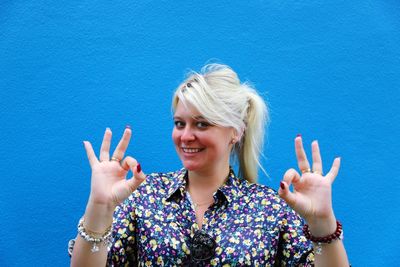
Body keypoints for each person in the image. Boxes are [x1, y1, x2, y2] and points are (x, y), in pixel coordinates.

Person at [69, 64, 349, 266]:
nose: (185, 135)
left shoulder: (270, 209)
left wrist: (322, 223)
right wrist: (99, 207)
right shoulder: (145, 196)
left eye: (202, 123)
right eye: (180, 123)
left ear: (235, 131)